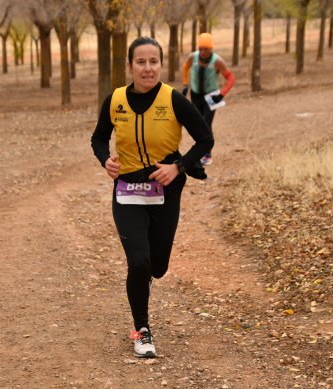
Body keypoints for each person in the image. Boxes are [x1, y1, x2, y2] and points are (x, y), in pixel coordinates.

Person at [91, 37, 214, 358]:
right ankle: (142, 330)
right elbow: (98, 138)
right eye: (141, 62)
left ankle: (146, 279)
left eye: (154, 62)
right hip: (128, 190)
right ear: (130, 66)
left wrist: (179, 166)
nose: (148, 68)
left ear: (161, 64)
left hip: (166, 190)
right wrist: (106, 159)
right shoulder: (115, 100)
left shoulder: (173, 99)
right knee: (139, 261)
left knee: (157, 267)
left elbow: (205, 139)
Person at [181, 32, 235, 166]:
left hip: (211, 97)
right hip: (195, 95)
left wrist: (222, 94)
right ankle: (199, 153)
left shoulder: (217, 61)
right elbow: (185, 67)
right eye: (201, 48)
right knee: (198, 123)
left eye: (206, 49)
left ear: (211, 49)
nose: (203, 52)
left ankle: (207, 154)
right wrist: (185, 85)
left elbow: (231, 78)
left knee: (206, 124)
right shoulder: (192, 57)